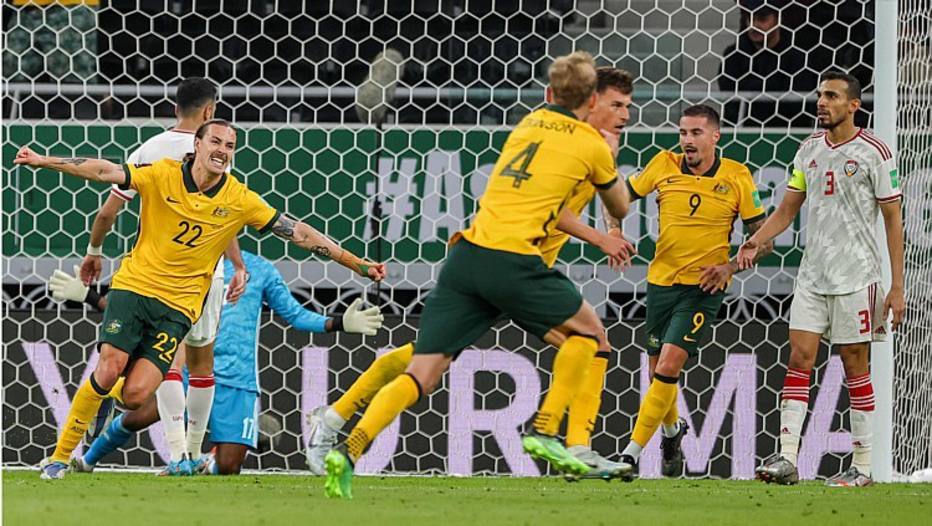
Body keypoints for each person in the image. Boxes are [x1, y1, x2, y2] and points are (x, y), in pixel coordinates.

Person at [321, 51, 631, 499]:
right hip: (515, 263)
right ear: (591, 99)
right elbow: (618, 205)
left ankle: (348, 449)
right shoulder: (590, 145)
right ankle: (547, 432)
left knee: (422, 371)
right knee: (591, 336)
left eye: (627, 106)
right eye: (616, 104)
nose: (624, 114)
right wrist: (610, 170)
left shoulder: (529, 122)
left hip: (467, 259)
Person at [15, 118, 386, 479]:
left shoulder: (238, 198)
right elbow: (104, 172)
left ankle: (104, 396)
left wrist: (355, 263)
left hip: (178, 307)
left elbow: (299, 233)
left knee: (133, 395)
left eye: (230, 146)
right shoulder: (161, 173)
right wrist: (45, 160)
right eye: (216, 142)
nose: (222, 151)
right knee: (110, 364)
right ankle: (59, 458)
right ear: (197, 144)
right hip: (135, 287)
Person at [51, 250, 384, 475]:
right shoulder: (183, 261)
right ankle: (87, 460)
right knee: (138, 410)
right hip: (184, 365)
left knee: (229, 467)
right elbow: (139, 308)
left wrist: (339, 323)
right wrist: (91, 297)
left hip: (237, 378)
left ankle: (198, 461)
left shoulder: (260, 270)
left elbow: (295, 315)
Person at [740, 71, 905, 487]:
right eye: (820, 95)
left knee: (854, 365)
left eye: (831, 96)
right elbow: (786, 210)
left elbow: (892, 218)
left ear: (854, 105)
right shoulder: (808, 149)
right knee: (799, 359)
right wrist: (753, 242)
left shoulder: (875, 153)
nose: (821, 102)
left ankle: (863, 466)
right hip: (813, 277)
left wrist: (897, 286)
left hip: (858, 277)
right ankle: (787, 459)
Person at [80, 77, 249, 476]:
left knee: (166, 361)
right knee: (202, 363)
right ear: (210, 113)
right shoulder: (219, 152)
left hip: (156, 273)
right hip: (205, 274)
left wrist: (94, 251)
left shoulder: (150, 150)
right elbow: (223, 219)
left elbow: (107, 212)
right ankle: (191, 452)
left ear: (175, 109)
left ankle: (177, 454)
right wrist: (238, 266)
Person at [615, 104, 770, 477]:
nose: (687, 140)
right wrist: (612, 231)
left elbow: (762, 239)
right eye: (683, 133)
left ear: (715, 136)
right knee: (658, 375)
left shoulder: (737, 177)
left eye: (696, 133)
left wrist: (731, 265)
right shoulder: (662, 164)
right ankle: (672, 431)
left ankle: (630, 455)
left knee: (669, 365)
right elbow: (615, 197)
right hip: (661, 282)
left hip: (703, 287)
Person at [717, 3, 812, 127]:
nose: (754, 25)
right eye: (749, 18)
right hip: (742, 133)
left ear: (778, 20)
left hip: (785, 133)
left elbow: (797, 104)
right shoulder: (733, 55)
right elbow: (730, 96)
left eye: (762, 19)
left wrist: (753, 89)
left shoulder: (797, 57)